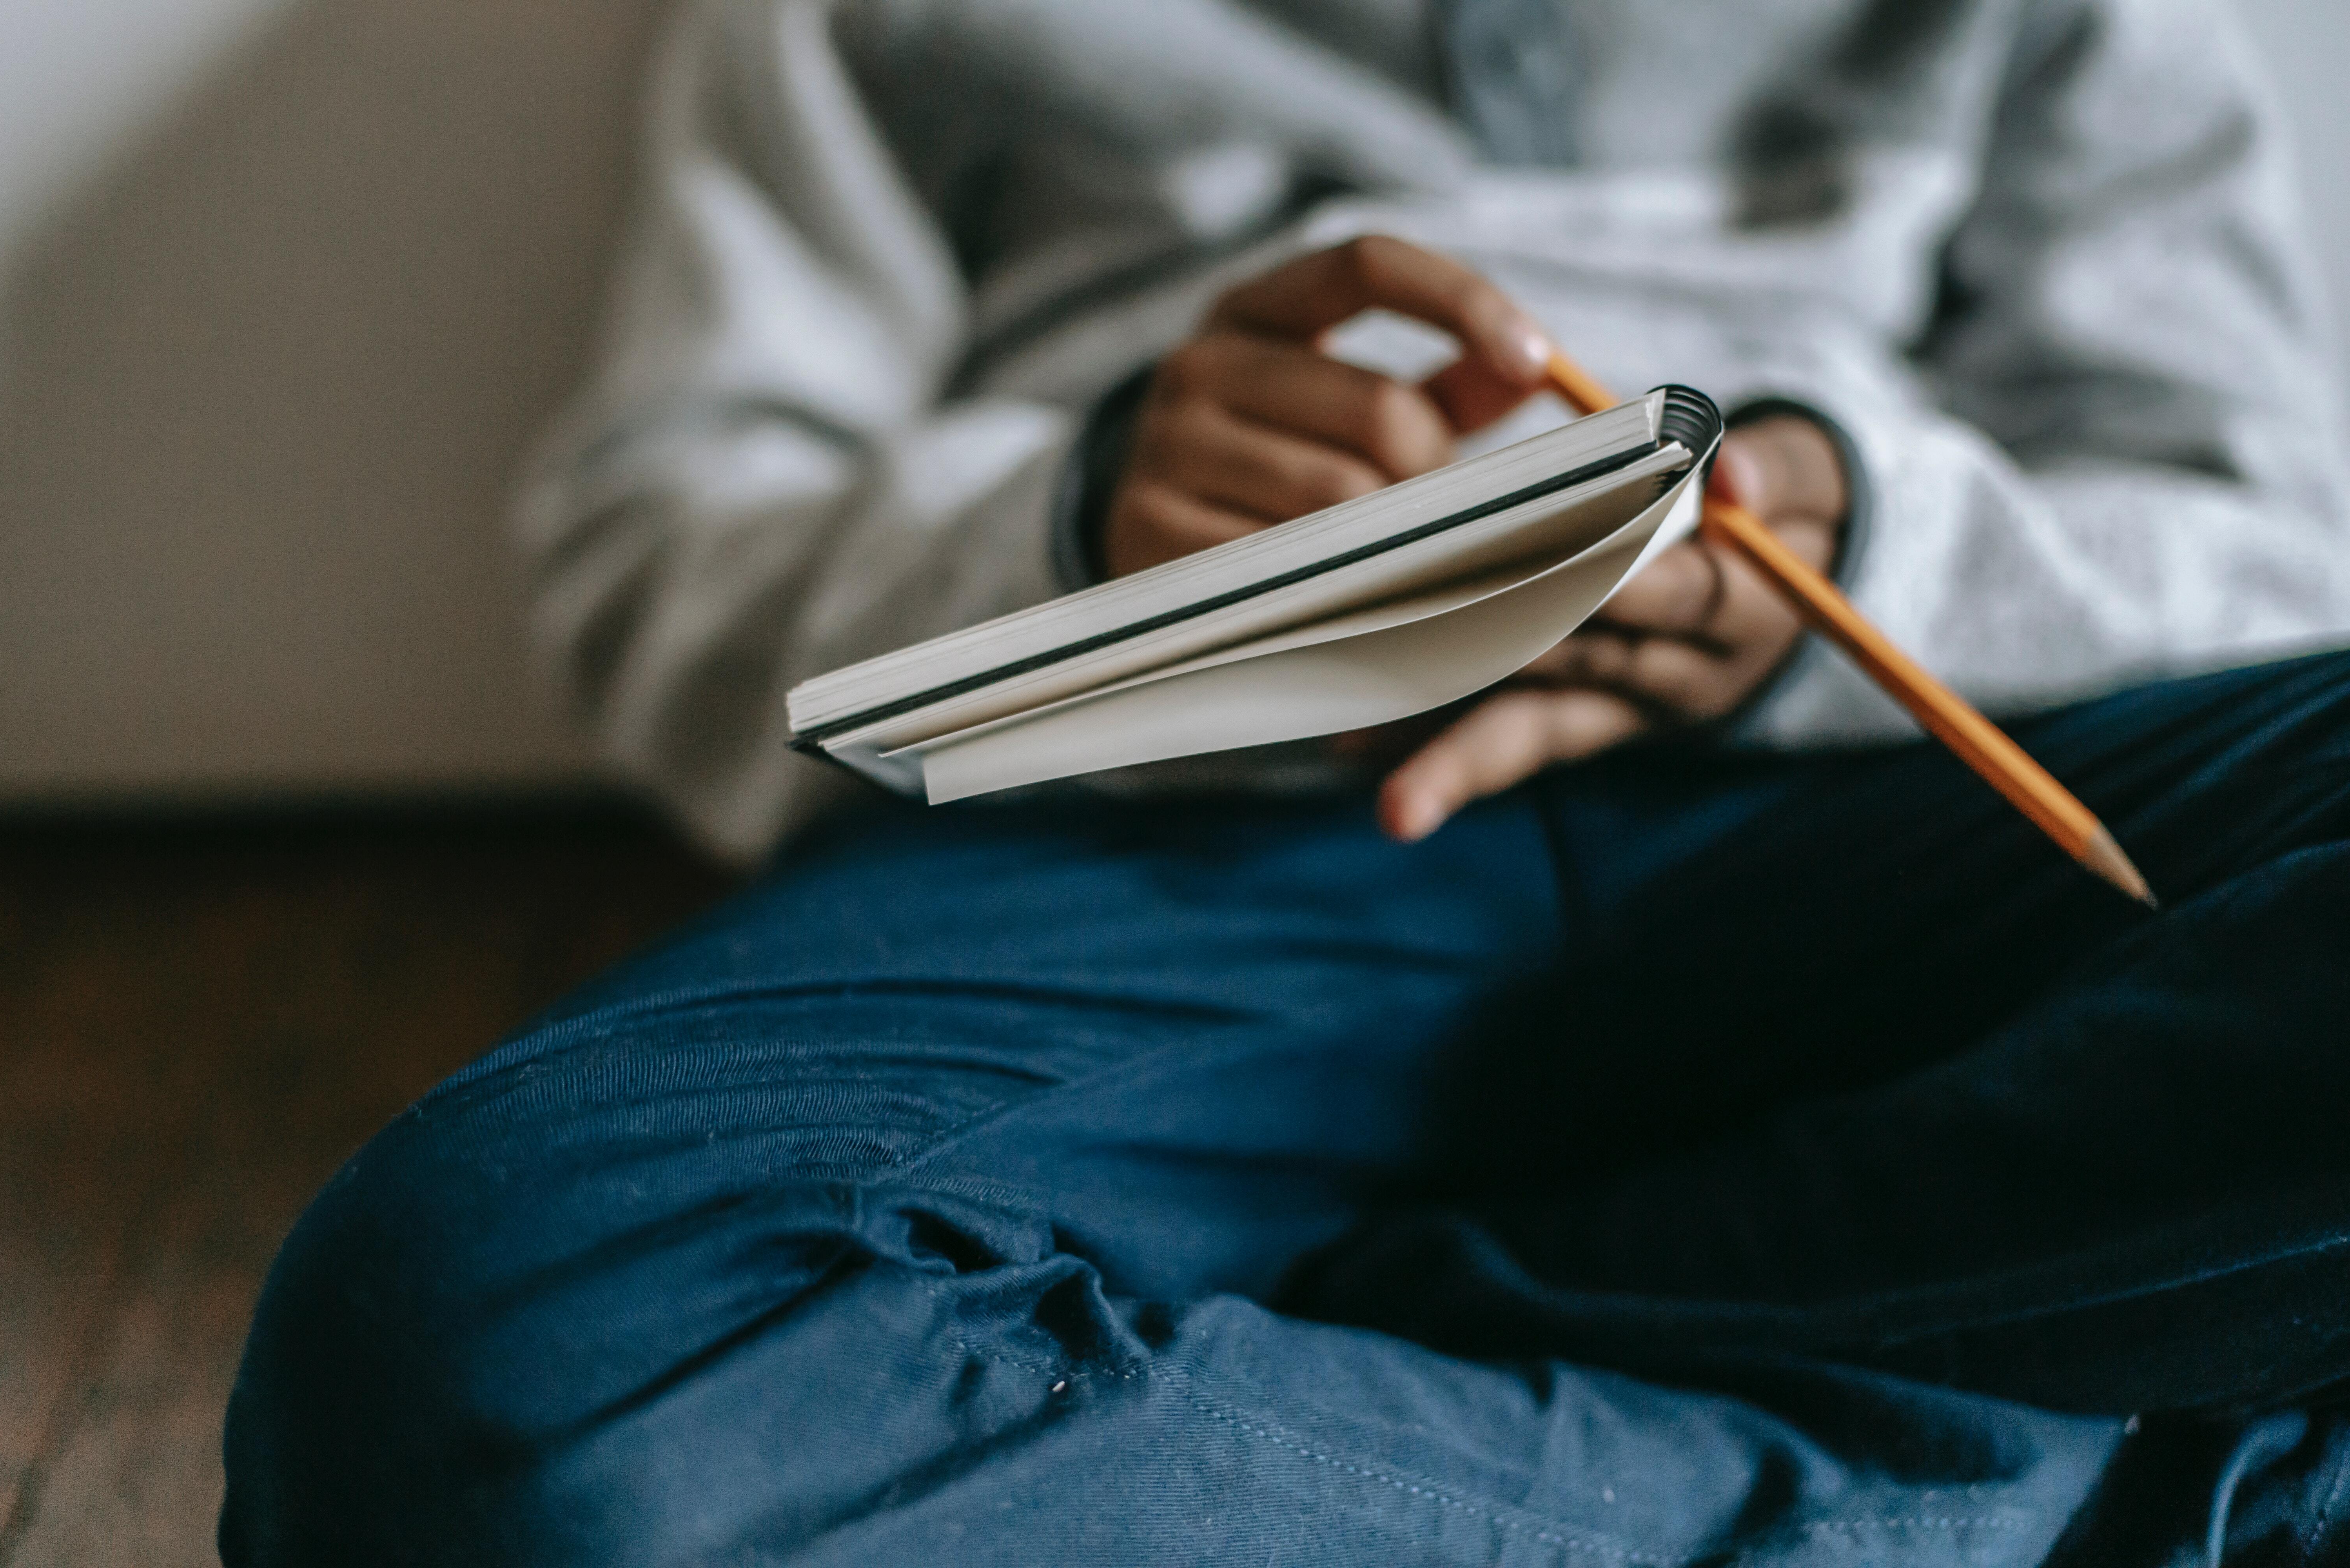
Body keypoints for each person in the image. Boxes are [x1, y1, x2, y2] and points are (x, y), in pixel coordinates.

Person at [221, 2, 2350, 1563]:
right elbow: (657, 550)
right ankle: (2153, 1496)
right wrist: (1074, 529)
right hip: (1149, 847)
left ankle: (1327, 1362)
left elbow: (2267, 532)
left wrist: (1856, 547)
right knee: (480, 1356)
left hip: (1897, 807)